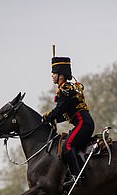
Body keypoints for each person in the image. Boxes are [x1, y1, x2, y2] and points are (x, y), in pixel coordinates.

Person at [42, 56, 95, 187]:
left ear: (61, 75)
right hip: (83, 123)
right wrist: (53, 119)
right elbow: (65, 114)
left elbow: (59, 110)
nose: (52, 76)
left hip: (83, 124)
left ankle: (77, 177)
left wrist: (46, 117)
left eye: (54, 73)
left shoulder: (66, 89)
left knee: (67, 146)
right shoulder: (68, 88)